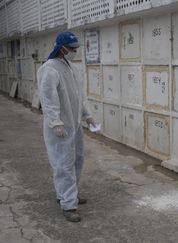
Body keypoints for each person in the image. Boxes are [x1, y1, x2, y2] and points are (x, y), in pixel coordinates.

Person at [37, 31, 96, 222]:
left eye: (76, 48)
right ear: (61, 49)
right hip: (60, 127)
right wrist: (55, 122)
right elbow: (48, 98)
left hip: (74, 124)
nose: (75, 51)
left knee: (77, 159)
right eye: (72, 49)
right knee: (63, 165)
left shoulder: (71, 68)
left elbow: (77, 97)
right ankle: (68, 205)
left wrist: (88, 116)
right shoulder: (50, 69)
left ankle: (69, 193)